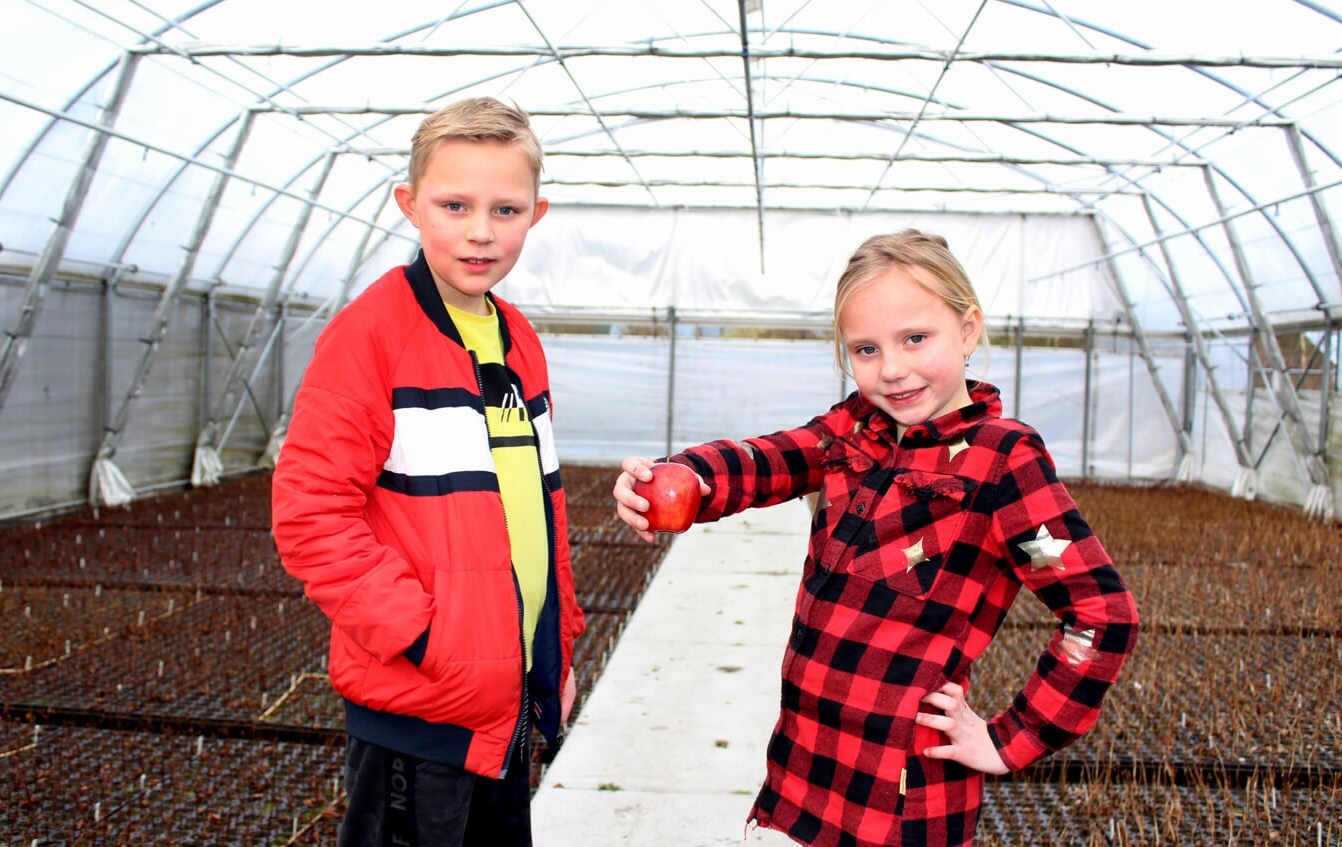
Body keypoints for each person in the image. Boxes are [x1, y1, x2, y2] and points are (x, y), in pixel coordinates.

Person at [613, 228, 1139, 847]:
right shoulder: (855, 429)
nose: (892, 369)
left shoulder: (1002, 461)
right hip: (800, 771)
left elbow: (1102, 613)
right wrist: (692, 477)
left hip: (901, 797)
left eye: (915, 338)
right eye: (865, 349)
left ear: (968, 330)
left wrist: (1010, 738)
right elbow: (770, 457)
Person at [272, 96, 585, 847]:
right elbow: (311, 513)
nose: (480, 231)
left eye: (505, 209)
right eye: (454, 205)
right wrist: (425, 637)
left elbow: (539, 506)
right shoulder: (369, 336)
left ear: (535, 215)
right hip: (419, 714)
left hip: (505, 698)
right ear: (409, 205)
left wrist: (555, 649)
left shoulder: (516, 338)